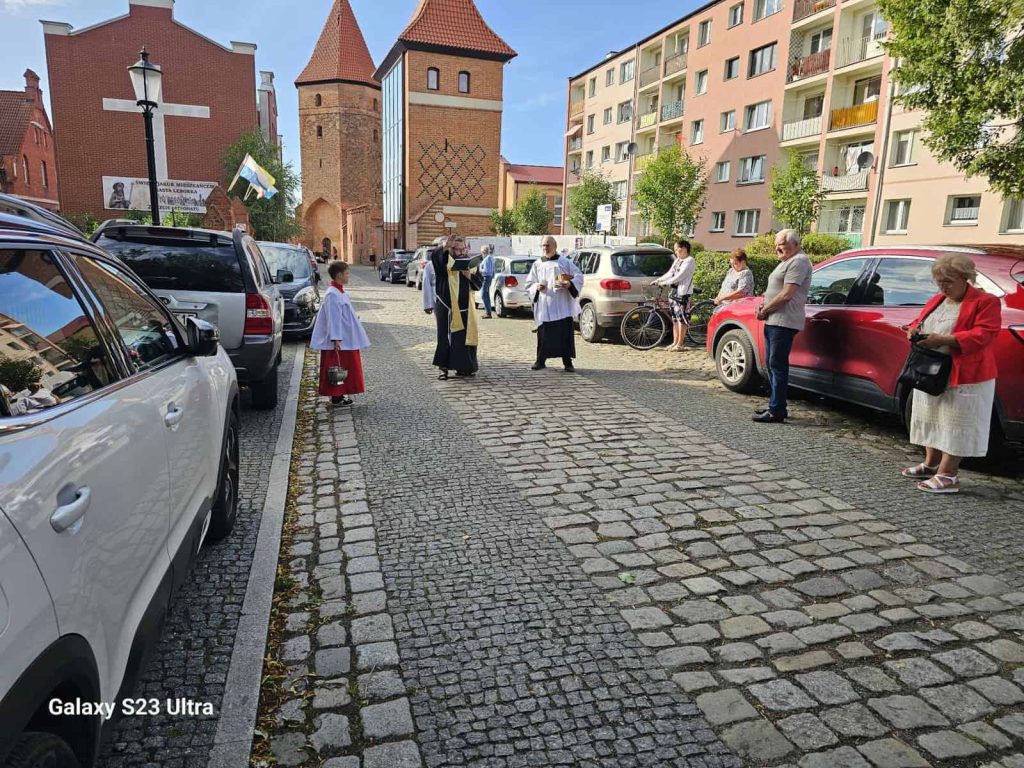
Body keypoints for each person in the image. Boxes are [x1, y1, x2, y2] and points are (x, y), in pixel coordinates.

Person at [902, 254, 1001, 494]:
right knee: (932, 416)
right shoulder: (938, 299)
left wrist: (945, 340)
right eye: (939, 282)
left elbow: (985, 334)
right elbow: (919, 321)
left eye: (948, 282)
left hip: (965, 373)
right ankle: (931, 464)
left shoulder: (985, 301)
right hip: (933, 370)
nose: (942, 287)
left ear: (965, 278)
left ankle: (948, 474)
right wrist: (913, 330)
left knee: (956, 422)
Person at [753, 229, 813, 424]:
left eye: (781, 244)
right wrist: (763, 305)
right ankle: (775, 404)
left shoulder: (799, 261)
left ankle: (777, 410)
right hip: (773, 319)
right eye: (776, 244)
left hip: (783, 321)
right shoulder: (787, 261)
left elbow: (787, 294)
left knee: (777, 365)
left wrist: (765, 310)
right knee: (771, 364)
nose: (777, 248)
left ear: (795, 244)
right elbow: (775, 290)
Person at [422, 234, 483, 379]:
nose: (461, 252)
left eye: (463, 249)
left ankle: (464, 367)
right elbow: (436, 260)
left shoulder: (470, 264)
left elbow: (479, 284)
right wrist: (444, 247)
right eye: (457, 250)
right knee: (445, 338)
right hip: (446, 307)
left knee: (463, 339)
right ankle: (443, 368)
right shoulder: (444, 262)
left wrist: (469, 276)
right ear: (451, 249)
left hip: (465, 307)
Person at [310, 261, 370, 406]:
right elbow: (333, 318)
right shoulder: (332, 294)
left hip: (346, 337)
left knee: (345, 366)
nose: (349, 276)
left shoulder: (339, 292)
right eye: (347, 273)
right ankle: (336, 396)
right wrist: (336, 338)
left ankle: (341, 394)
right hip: (340, 340)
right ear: (339, 275)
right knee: (337, 366)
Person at [526, 235, 584, 372]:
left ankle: (567, 362)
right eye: (544, 245)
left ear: (555, 246)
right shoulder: (537, 264)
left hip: (562, 305)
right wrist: (536, 287)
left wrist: (569, 284)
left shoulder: (564, 262)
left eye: (548, 245)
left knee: (564, 335)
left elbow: (579, 276)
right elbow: (529, 283)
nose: (545, 248)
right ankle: (540, 360)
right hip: (545, 305)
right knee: (544, 335)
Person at [652, 240, 696, 351]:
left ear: (684, 248)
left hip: (683, 293)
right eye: (675, 250)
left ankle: (680, 344)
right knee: (675, 319)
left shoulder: (689, 261)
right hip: (673, 292)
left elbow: (679, 276)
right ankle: (674, 342)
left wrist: (665, 283)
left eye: (677, 249)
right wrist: (658, 280)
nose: (676, 252)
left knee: (682, 319)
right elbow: (670, 273)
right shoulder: (677, 260)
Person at [479, 244, 496, 319]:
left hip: (486, 277)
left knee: (483, 294)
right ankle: (488, 312)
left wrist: (480, 270)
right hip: (488, 277)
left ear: (483, 252)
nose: (481, 254)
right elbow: (492, 270)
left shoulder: (487, 258)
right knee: (486, 294)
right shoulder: (490, 258)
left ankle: (488, 313)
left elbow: (487, 271)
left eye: (481, 252)